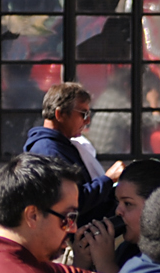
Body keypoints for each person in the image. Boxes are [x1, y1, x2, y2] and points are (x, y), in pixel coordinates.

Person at [23, 82, 123, 222]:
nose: (87, 121)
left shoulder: (63, 145)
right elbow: (70, 203)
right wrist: (108, 179)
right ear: (59, 114)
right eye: (83, 114)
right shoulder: (47, 151)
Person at [73, 158, 160, 273]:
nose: (118, 211)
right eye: (118, 202)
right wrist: (81, 265)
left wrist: (105, 264)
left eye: (128, 203)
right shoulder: (127, 249)